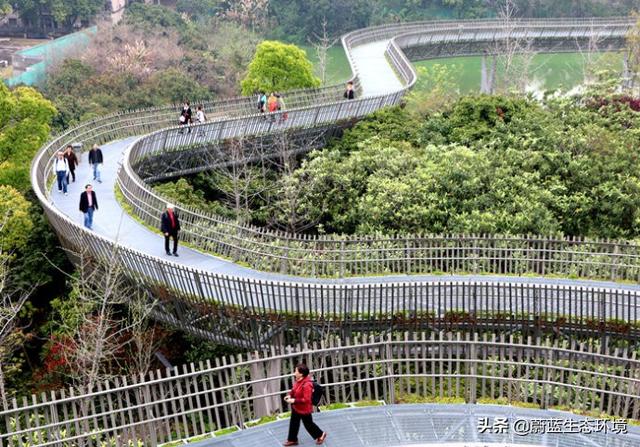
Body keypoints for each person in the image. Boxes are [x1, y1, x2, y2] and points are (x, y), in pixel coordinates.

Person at [283, 364, 327, 446]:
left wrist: (294, 400)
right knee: (294, 423)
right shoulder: (298, 380)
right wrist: (290, 395)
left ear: (301, 373)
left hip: (304, 409)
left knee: (308, 425)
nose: (294, 372)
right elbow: (294, 390)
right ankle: (292, 439)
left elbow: (307, 400)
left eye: (296, 371)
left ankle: (321, 434)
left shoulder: (307, 385)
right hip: (296, 407)